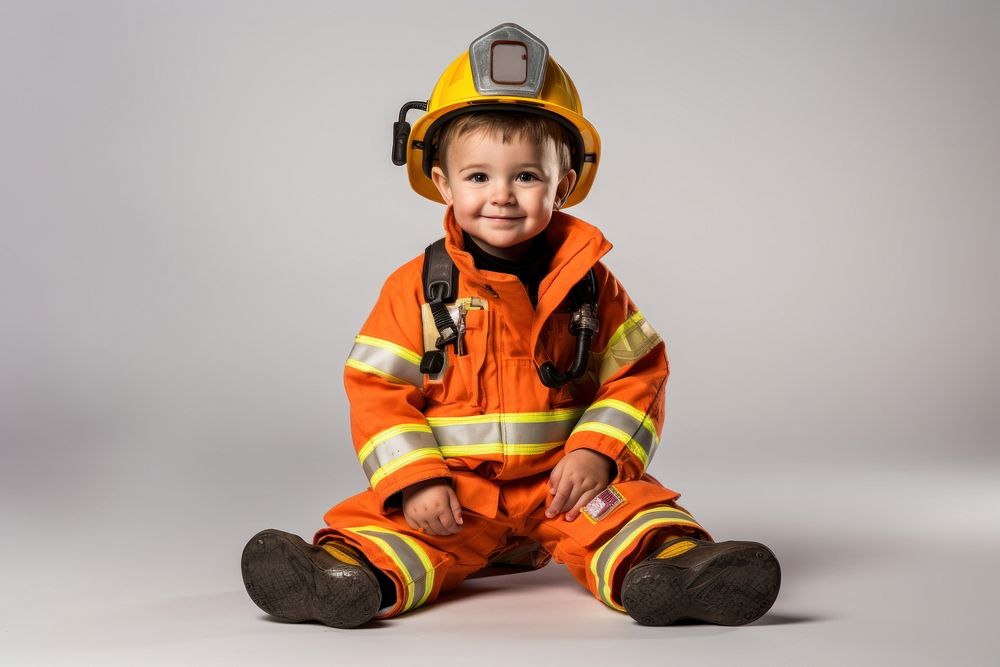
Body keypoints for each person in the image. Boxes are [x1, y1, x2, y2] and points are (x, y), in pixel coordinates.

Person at [241, 22, 780, 629]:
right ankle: (334, 578)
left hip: (565, 489)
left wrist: (597, 454)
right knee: (388, 527)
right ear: (442, 183)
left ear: (564, 185)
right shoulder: (413, 289)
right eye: (478, 177)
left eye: (526, 176)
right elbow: (376, 391)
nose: (501, 195)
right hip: (456, 497)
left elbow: (638, 375)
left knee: (634, 512)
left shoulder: (593, 286)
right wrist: (415, 481)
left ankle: (679, 574)